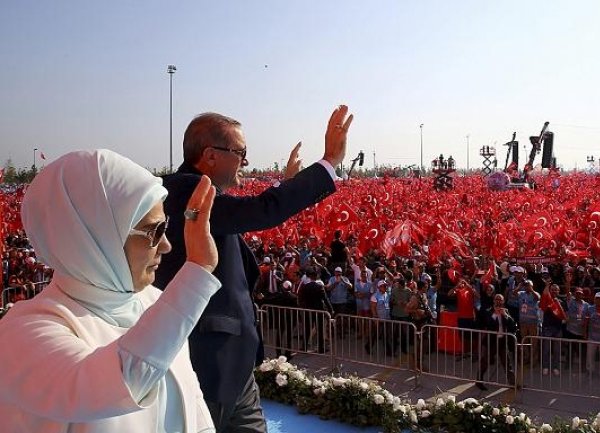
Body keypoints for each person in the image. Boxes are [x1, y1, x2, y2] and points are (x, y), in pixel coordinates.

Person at [155, 106, 353, 432]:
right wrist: (328, 162)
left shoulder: (199, 193)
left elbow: (240, 215)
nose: (246, 161)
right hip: (207, 365)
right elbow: (260, 211)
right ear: (210, 155)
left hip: (233, 369)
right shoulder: (185, 192)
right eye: (240, 152)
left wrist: (284, 184)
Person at [0, 149, 219, 432]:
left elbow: (193, 405)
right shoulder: (23, 332)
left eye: (167, 226)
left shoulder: (156, 303)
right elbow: (114, 386)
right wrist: (196, 273)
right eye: (154, 230)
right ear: (94, 237)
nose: (166, 245)